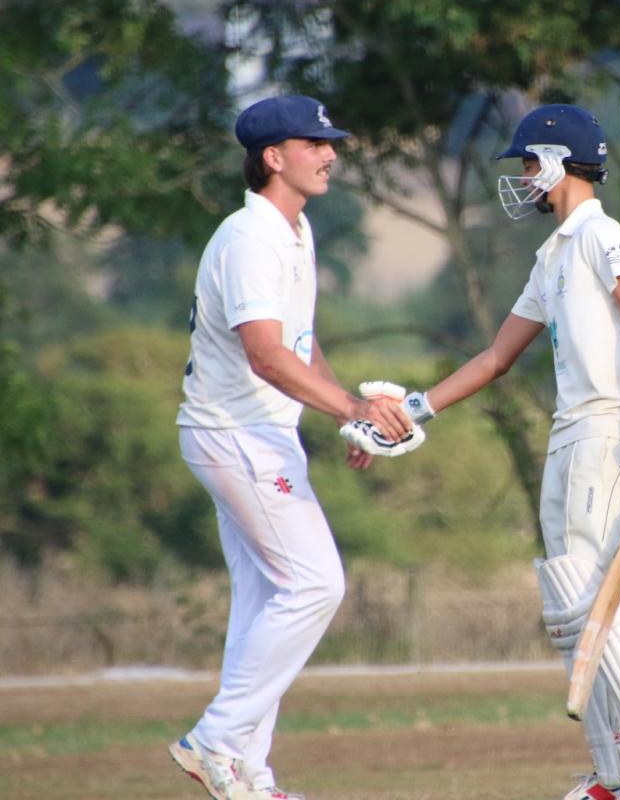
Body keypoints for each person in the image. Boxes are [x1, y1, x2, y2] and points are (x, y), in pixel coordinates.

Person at [364, 103, 620, 800]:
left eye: (529, 163)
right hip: (568, 432)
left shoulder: (600, 234)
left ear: (559, 161)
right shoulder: (551, 254)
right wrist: (417, 408)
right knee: (567, 599)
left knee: (596, 596)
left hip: (609, 430)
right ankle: (619, 770)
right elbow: (496, 356)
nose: (524, 177)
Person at [169, 94, 414, 800]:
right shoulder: (250, 238)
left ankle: (247, 775)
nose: (330, 154)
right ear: (273, 157)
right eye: (315, 143)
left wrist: (346, 419)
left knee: (262, 604)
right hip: (234, 434)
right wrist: (352, 405)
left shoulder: (294, 230)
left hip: (258, 434)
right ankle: (215, 740)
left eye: (330, 142)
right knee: (315, 584)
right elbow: (266, 356)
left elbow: (300, 345)